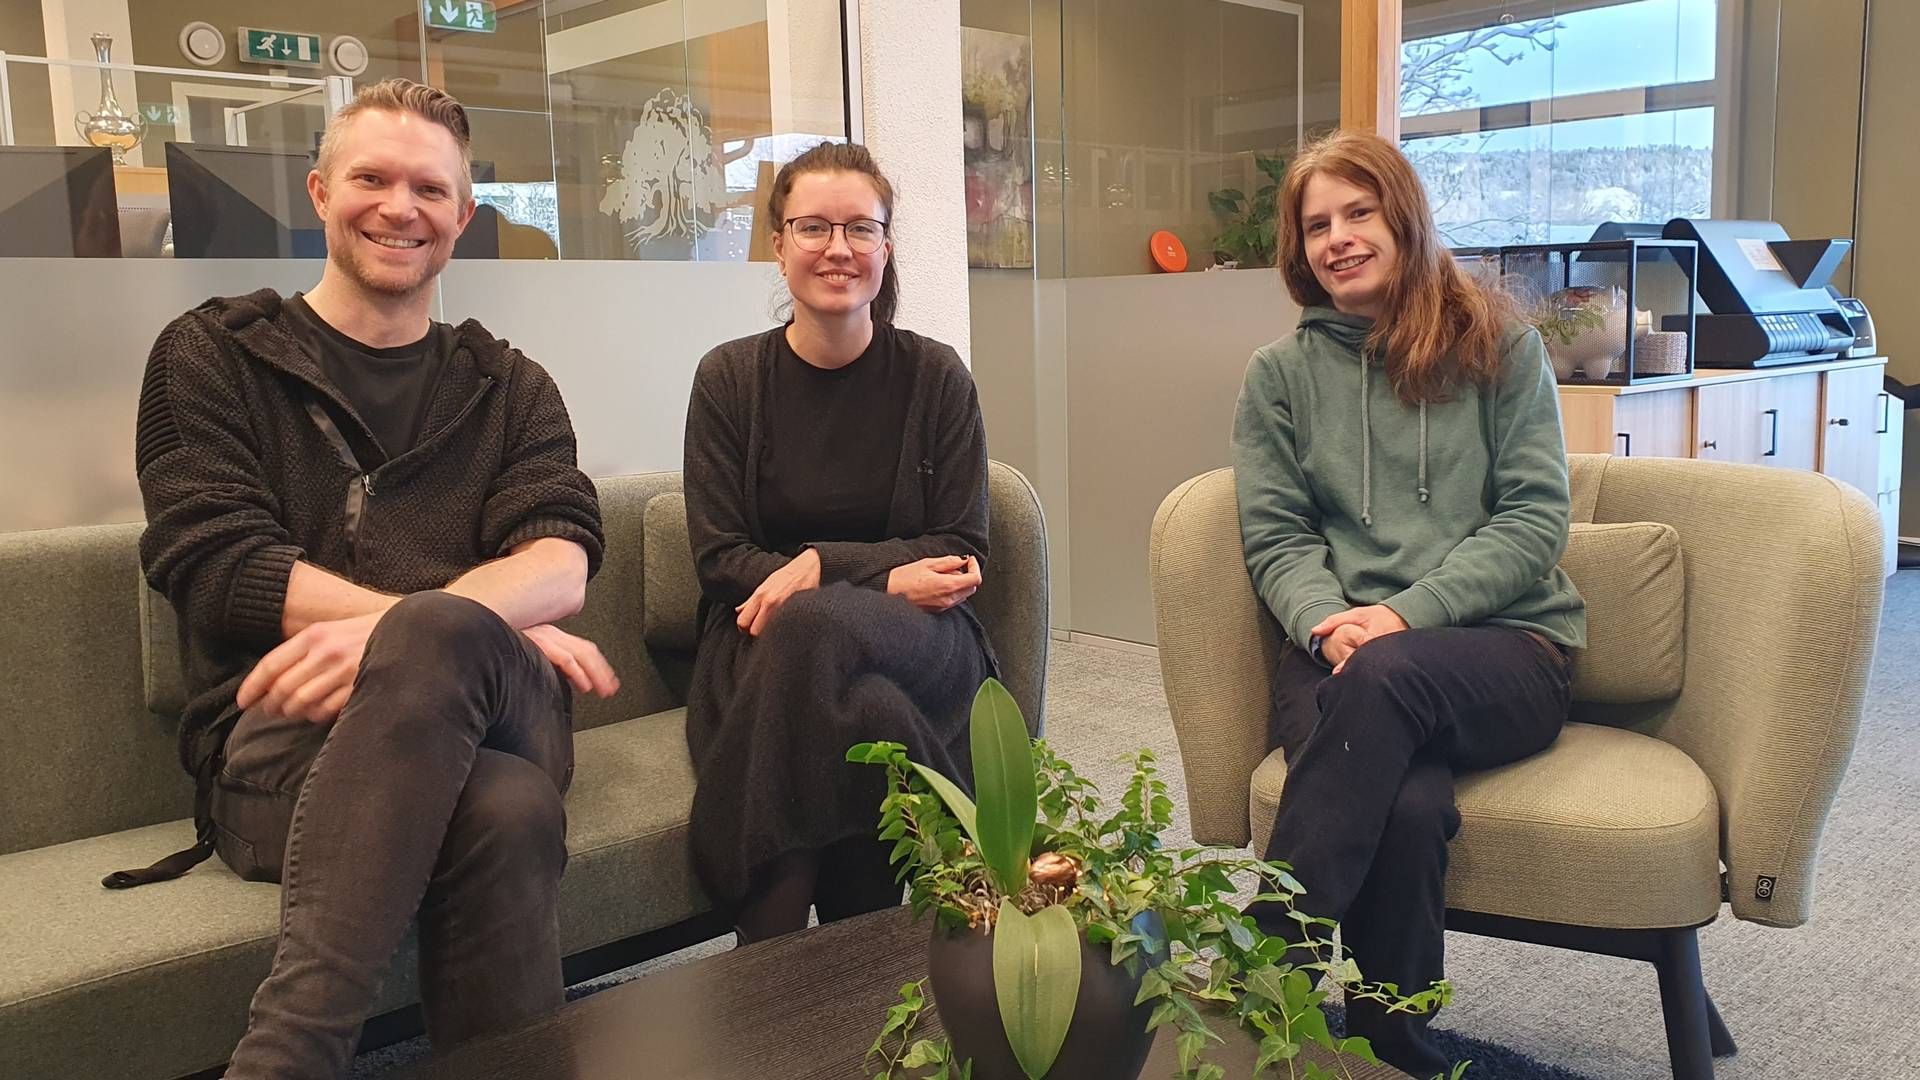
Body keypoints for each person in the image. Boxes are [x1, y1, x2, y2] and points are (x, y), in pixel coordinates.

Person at [119, 79, 617, 1078]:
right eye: (373, 179)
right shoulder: (211, 357)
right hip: (278, 751)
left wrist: (433, 639)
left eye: (430, 189)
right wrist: (445, 629)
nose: (401, 207)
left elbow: (561, 557)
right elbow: (217, 566)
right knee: (507, 808)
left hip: (504, 712)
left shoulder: (508, 385)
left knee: (446, 643)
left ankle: (287, 1056)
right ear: (318, 191)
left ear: (465, 217)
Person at [1231, 130, 1587, 1076]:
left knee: (1388, 679)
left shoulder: (1500, 347)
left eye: (1359, 213)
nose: (1338, 238)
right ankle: (1393, 1041)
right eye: (1317, 225)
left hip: (1505, 652)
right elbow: (1276, 538)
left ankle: (1263, 971)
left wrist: (1402, 616)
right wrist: (1325, 620)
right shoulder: (1278, 377)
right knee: (1412, 804)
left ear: (1404, 217)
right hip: (1335, 649)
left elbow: (1533, 521)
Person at [681, 141, 996, 945]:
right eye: (813, 227)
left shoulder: (937, 377)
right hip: (762, 637)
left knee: (811, 620)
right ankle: (876, 981)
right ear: (778, 245)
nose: (838, 249)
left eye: (861, 227)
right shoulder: (728, 380)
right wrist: (884, 576)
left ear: (887, 247)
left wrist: (825, 567)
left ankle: (762, 968)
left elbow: (962, 547)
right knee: (866, 709)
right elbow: (720, 559)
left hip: (924, 635)